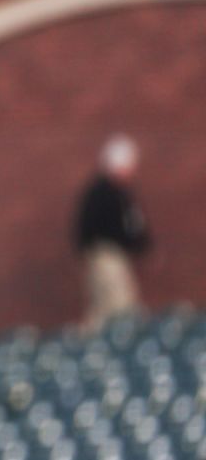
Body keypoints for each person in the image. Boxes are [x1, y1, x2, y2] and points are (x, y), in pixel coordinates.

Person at [74, 134, 151, 330]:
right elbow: (91, 227)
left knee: (106, 307)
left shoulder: (118, 193)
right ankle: (106, 346)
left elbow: (133, 224)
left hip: (113, 254)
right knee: (120, 304)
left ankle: (98, 343)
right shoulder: (103, 192)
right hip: (106, 254)